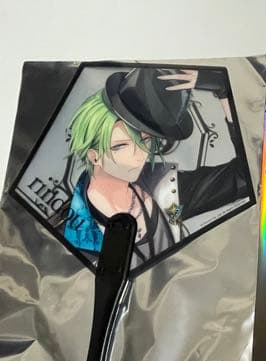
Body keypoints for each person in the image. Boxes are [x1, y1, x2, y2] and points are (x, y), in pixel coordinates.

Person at [63, 67, 251, 268]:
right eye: (121, 145)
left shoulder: (168, 192)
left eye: (145, 141)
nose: (139, 154)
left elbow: (244, 177)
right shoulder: (71, 234)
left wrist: (223, 90)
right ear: (94, 156)